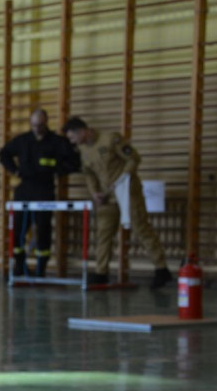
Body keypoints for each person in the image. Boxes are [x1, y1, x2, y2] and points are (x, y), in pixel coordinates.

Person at [63, 116, 172, 288]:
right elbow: (89, 174)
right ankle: (101, 272)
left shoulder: (111, 139)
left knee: (141, 229)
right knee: (103, 233)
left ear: (82, 131)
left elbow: (134, 158)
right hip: (107, 196)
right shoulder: (82, 150)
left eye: (72, 137)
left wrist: (123, 179)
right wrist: (95, 193)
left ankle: (161, 269)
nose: (72, 141)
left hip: (128, 192)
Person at [0, 108, 80, 277]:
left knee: (43, 230)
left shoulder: (57, 142)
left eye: (40, 125)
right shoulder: (22, 141)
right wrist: (15, 170)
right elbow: (3, 153)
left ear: (46, 123)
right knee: (18, 229)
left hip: (45, 189)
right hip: (24, 189)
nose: (36, 129)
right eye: (33, 125)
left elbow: (74, 162)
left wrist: (57, 170)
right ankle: (19, 267)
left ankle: (41, 268)